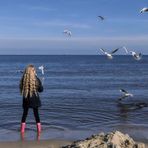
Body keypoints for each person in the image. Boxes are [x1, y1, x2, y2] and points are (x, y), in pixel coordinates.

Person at [19, 64, 43, 134]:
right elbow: (41, 90)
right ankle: (39, 131)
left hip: (26, 99)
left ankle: (22, 131)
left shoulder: (23, 79)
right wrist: (38, 79)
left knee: (24, 114)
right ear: (33, 71)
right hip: (35, 100)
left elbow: (21, 88)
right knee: (36, 115)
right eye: (34, 70)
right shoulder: (36, 79)